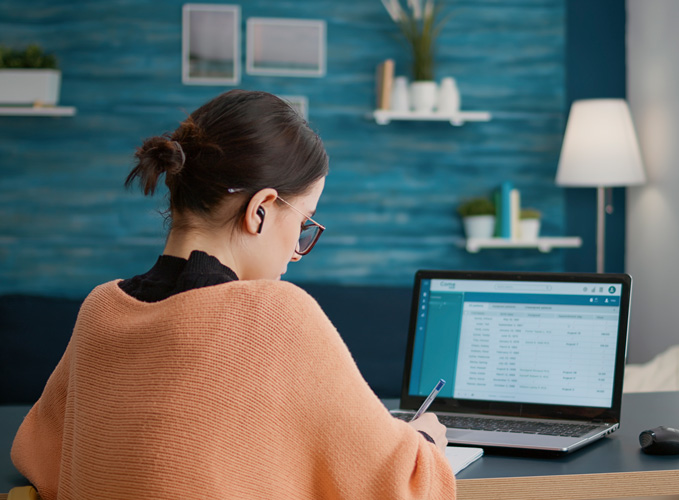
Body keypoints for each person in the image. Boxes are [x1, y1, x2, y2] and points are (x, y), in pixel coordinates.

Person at [10, 90, 456, 499]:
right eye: (303, 223)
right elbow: (405, 487)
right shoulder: (276, 314)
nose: (298, 253)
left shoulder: (100, 309)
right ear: (259, 211)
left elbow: (38, 455)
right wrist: (424, 443)